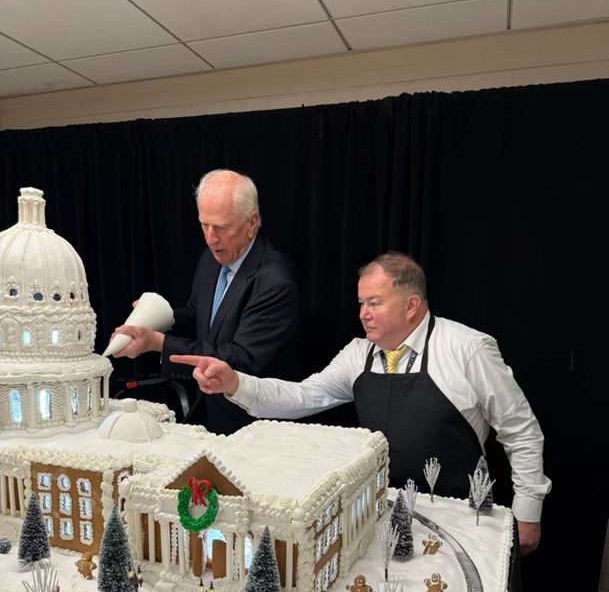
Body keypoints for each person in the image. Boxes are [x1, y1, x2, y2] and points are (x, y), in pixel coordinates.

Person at [171, 251, 551, 554]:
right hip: (376, 514)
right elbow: (303, 396)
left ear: (412, 305)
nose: (363, 314)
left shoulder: (468, 349)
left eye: (374, 303)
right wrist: (236, 383)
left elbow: (520, 430)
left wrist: (527, 512)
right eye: (360, 303)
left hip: (458, 517)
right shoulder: (358, 354)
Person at [113, 169, 300, 434]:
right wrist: (155, 320)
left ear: (252, 222)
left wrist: (158, 343)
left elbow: (238, 359)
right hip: (213, 416)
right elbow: (198, 315)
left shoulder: (275, 281)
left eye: (222, 227)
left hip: (256, 427)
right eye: (204, 224)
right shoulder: (212, 258)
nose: (211, 238)